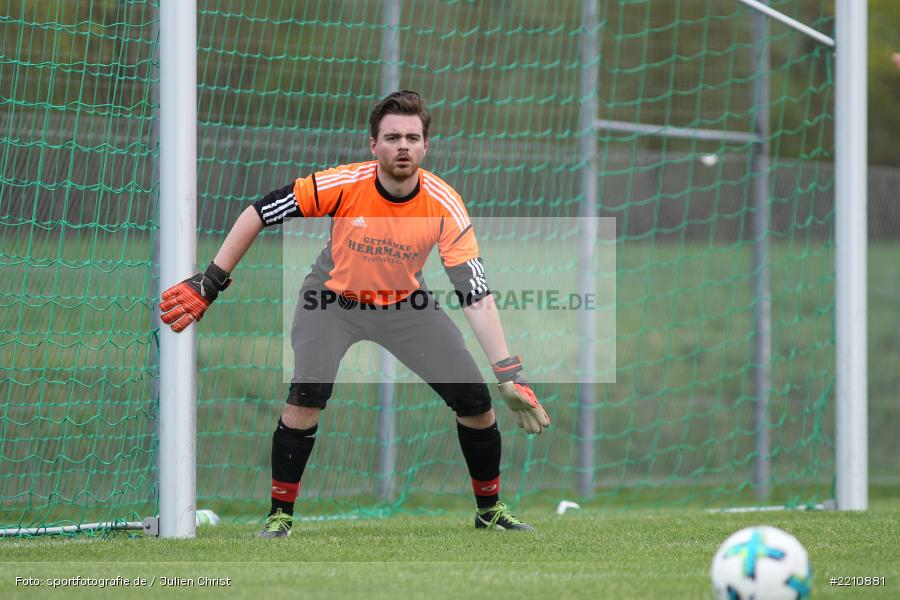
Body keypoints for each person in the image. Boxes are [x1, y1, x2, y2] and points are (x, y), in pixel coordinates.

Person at [159, 90, 550, 537]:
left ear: (426, 146)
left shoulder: (445, 204)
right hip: (332, 301)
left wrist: (507, 373)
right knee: (307, 394)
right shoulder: (342, 184)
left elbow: (474, 292)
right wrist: (211, 281)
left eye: (412, 138)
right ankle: (279, 515)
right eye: (392, 137)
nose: (402, 146)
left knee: (475, 401)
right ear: (373, 144)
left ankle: (490, 511)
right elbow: (258, 213)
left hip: (405, 305)